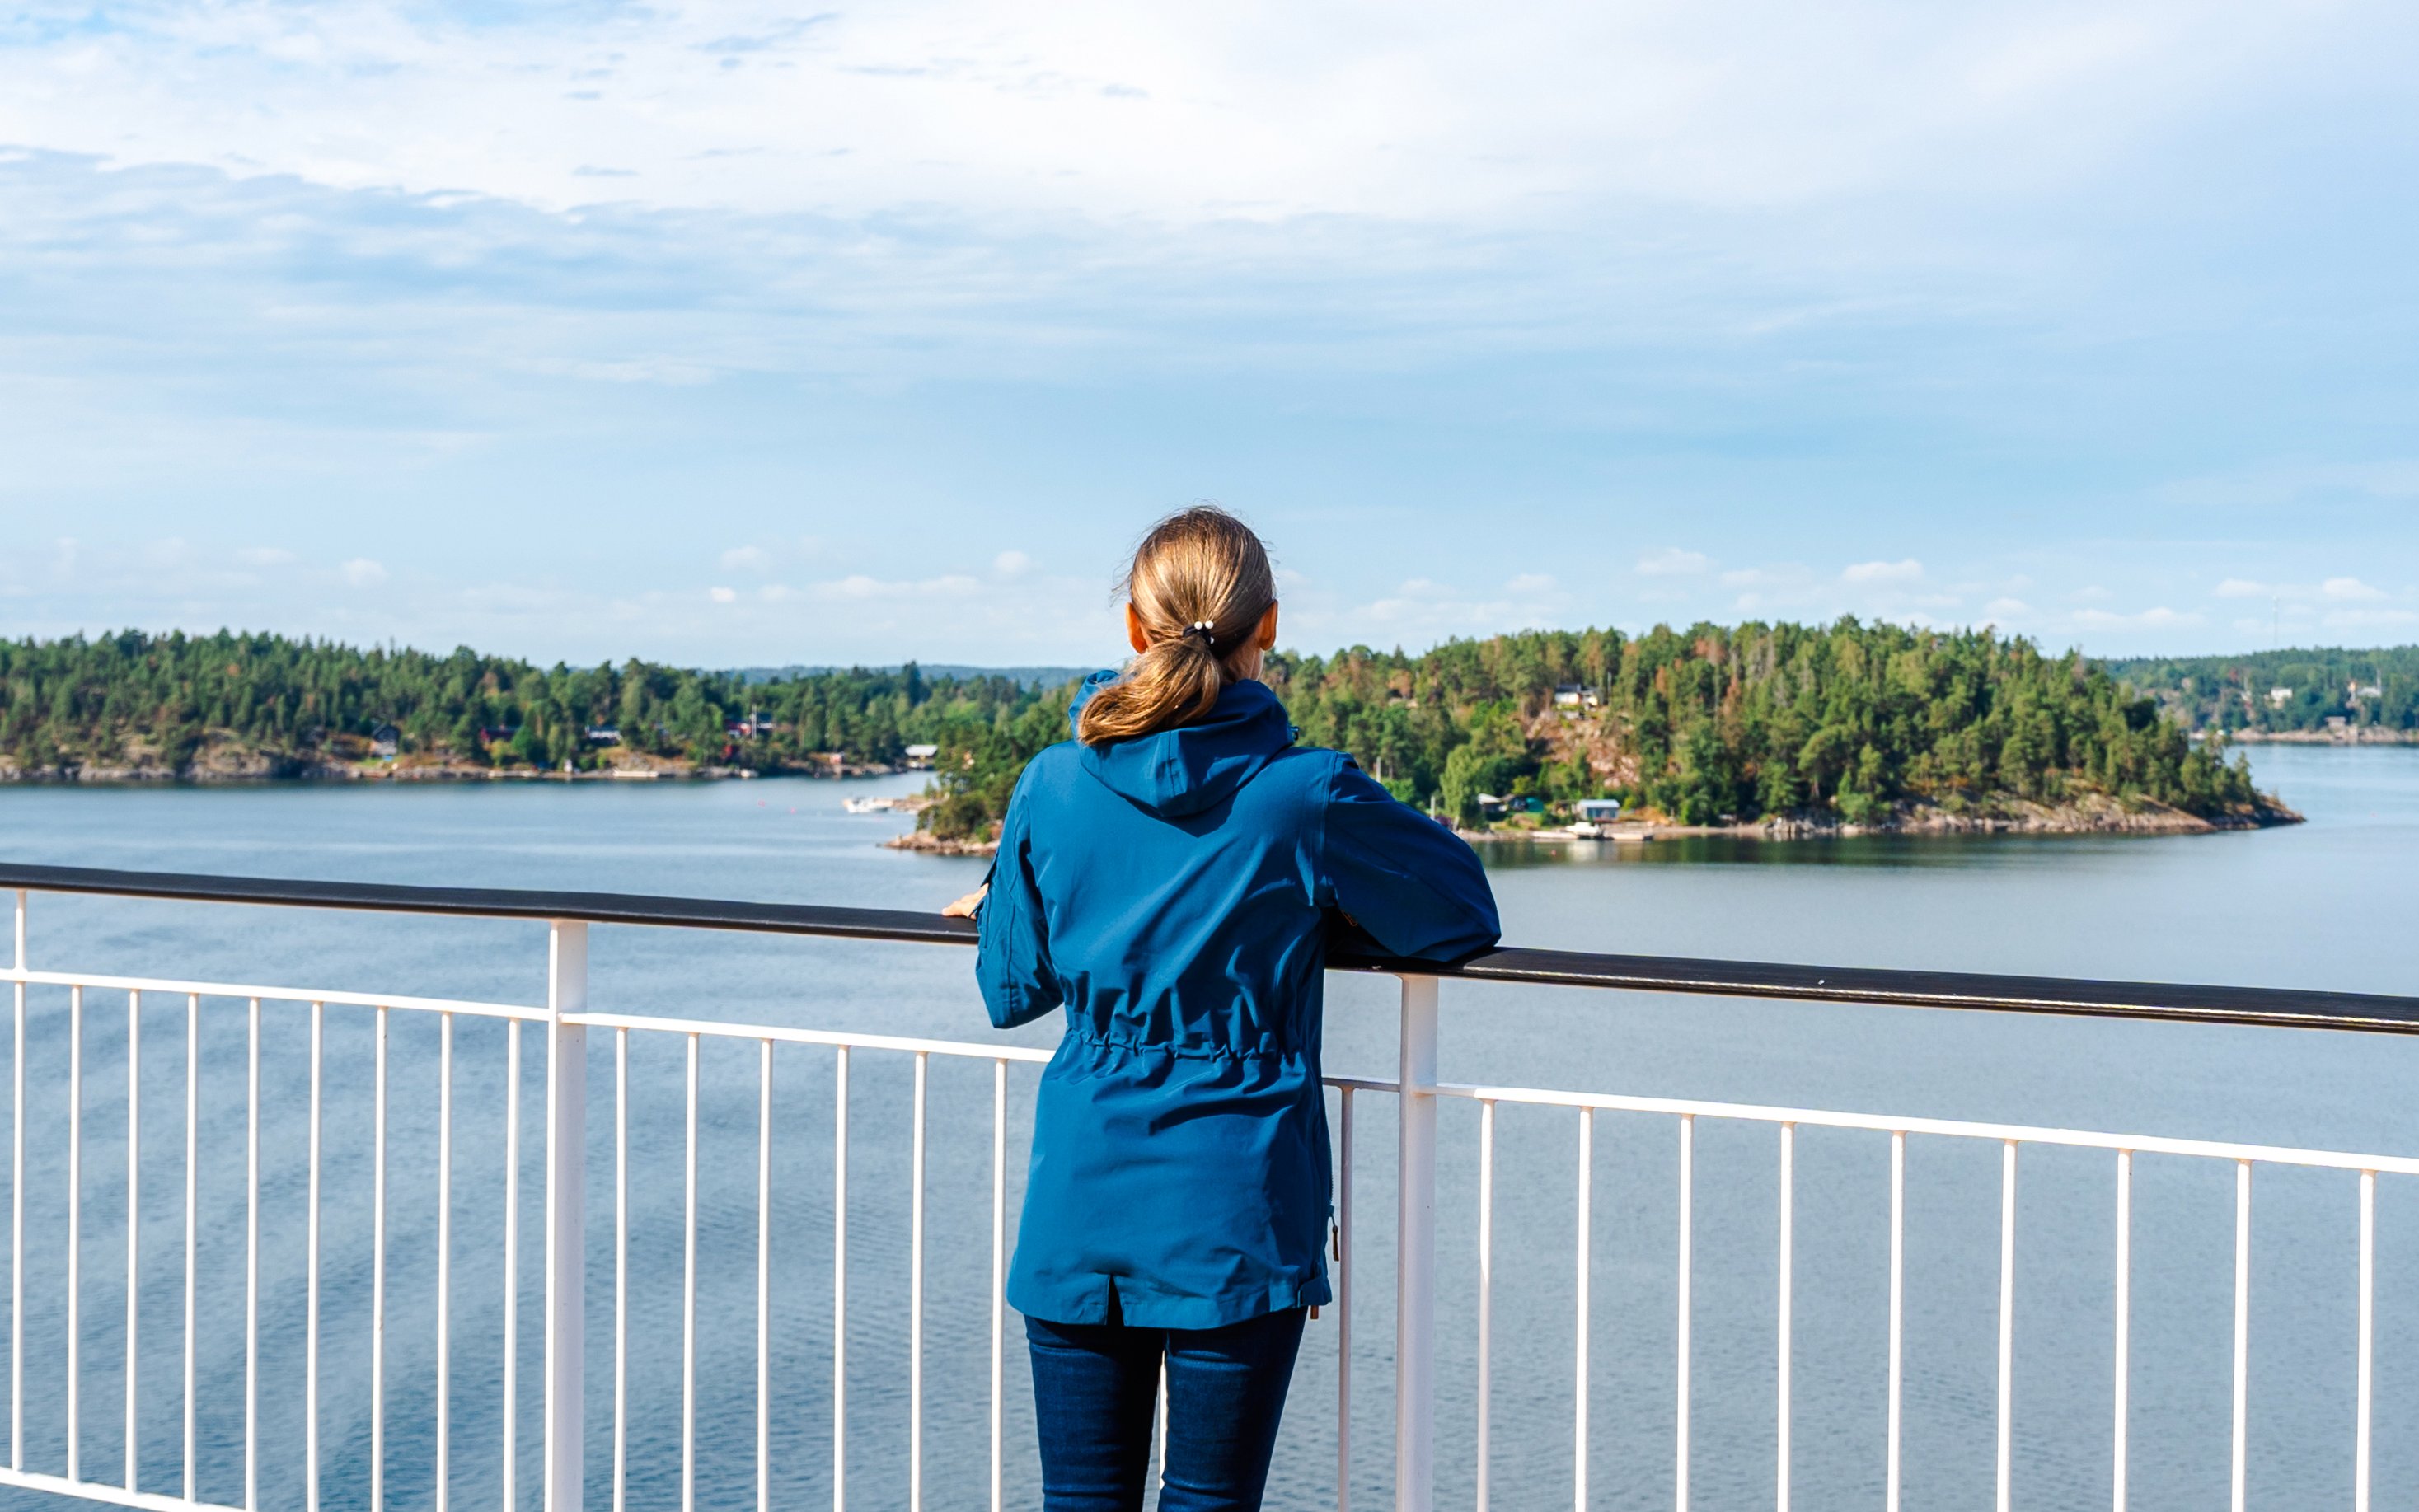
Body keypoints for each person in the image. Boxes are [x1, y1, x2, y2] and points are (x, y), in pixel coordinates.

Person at [942, 506, 1500, 1511]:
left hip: (1081, 1196)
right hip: (1235, 1204)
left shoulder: (1052, 782)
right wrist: (1310, 900)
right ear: (1269, 627)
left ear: (1131, 628)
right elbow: (1460, 912)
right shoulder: (1306, 794)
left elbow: (1011, 986)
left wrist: (1005, 889)